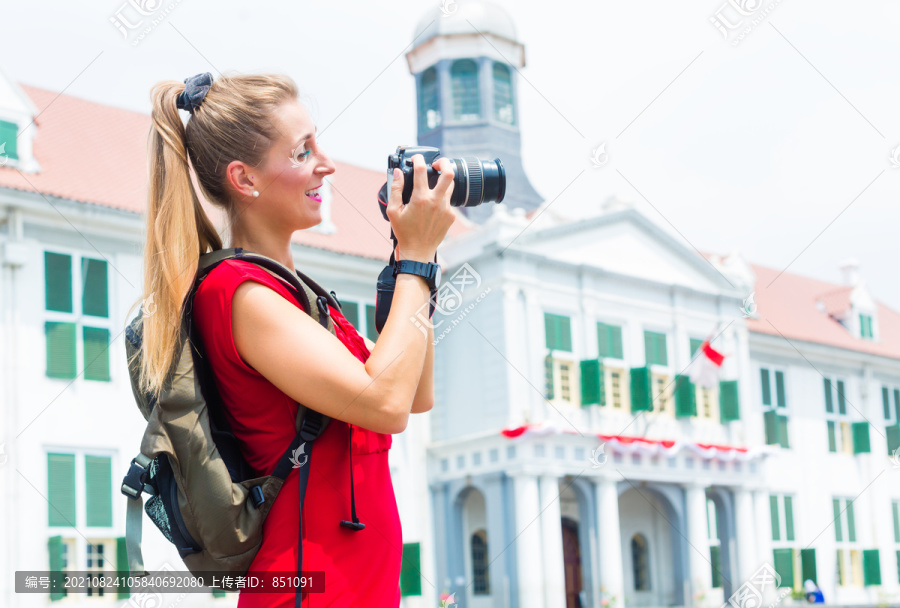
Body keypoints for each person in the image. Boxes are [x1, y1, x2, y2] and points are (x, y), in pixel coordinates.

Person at [137, 71, 456, 607]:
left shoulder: (301, 299)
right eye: (304, 151)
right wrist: (417, 260)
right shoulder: (240, 294)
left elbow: (415, 394)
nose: (326, 164)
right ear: (245, 179)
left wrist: (411, 259)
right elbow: (386, 403)